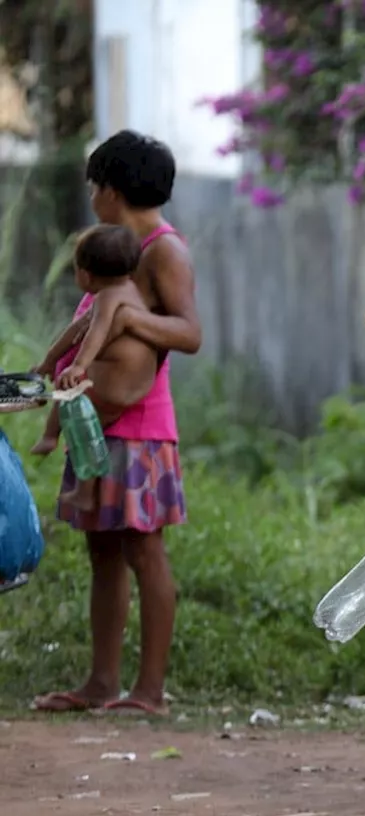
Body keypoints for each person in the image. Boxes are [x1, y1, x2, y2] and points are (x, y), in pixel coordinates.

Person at [30, 130, 201, 718]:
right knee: (101, 553)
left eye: (94, 185)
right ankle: (101, 682)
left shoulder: (162, 250)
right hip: (94, 421)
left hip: (140, 427)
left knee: (144, 552)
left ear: (109, 189)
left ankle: (149, 691)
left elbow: (188, 332)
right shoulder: (116, 248)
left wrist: (127, 315)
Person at [33, 225, 157, 512]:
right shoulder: (130, 290)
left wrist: (77, 366)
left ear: (85, 274)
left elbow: (94, 333)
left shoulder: (106, 298)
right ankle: (56, 443)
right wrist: (49, 361)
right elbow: (75, 330)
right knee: (90, 423)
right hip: (136, 388)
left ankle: (56, 445)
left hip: (115, 387)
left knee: (75, 408)